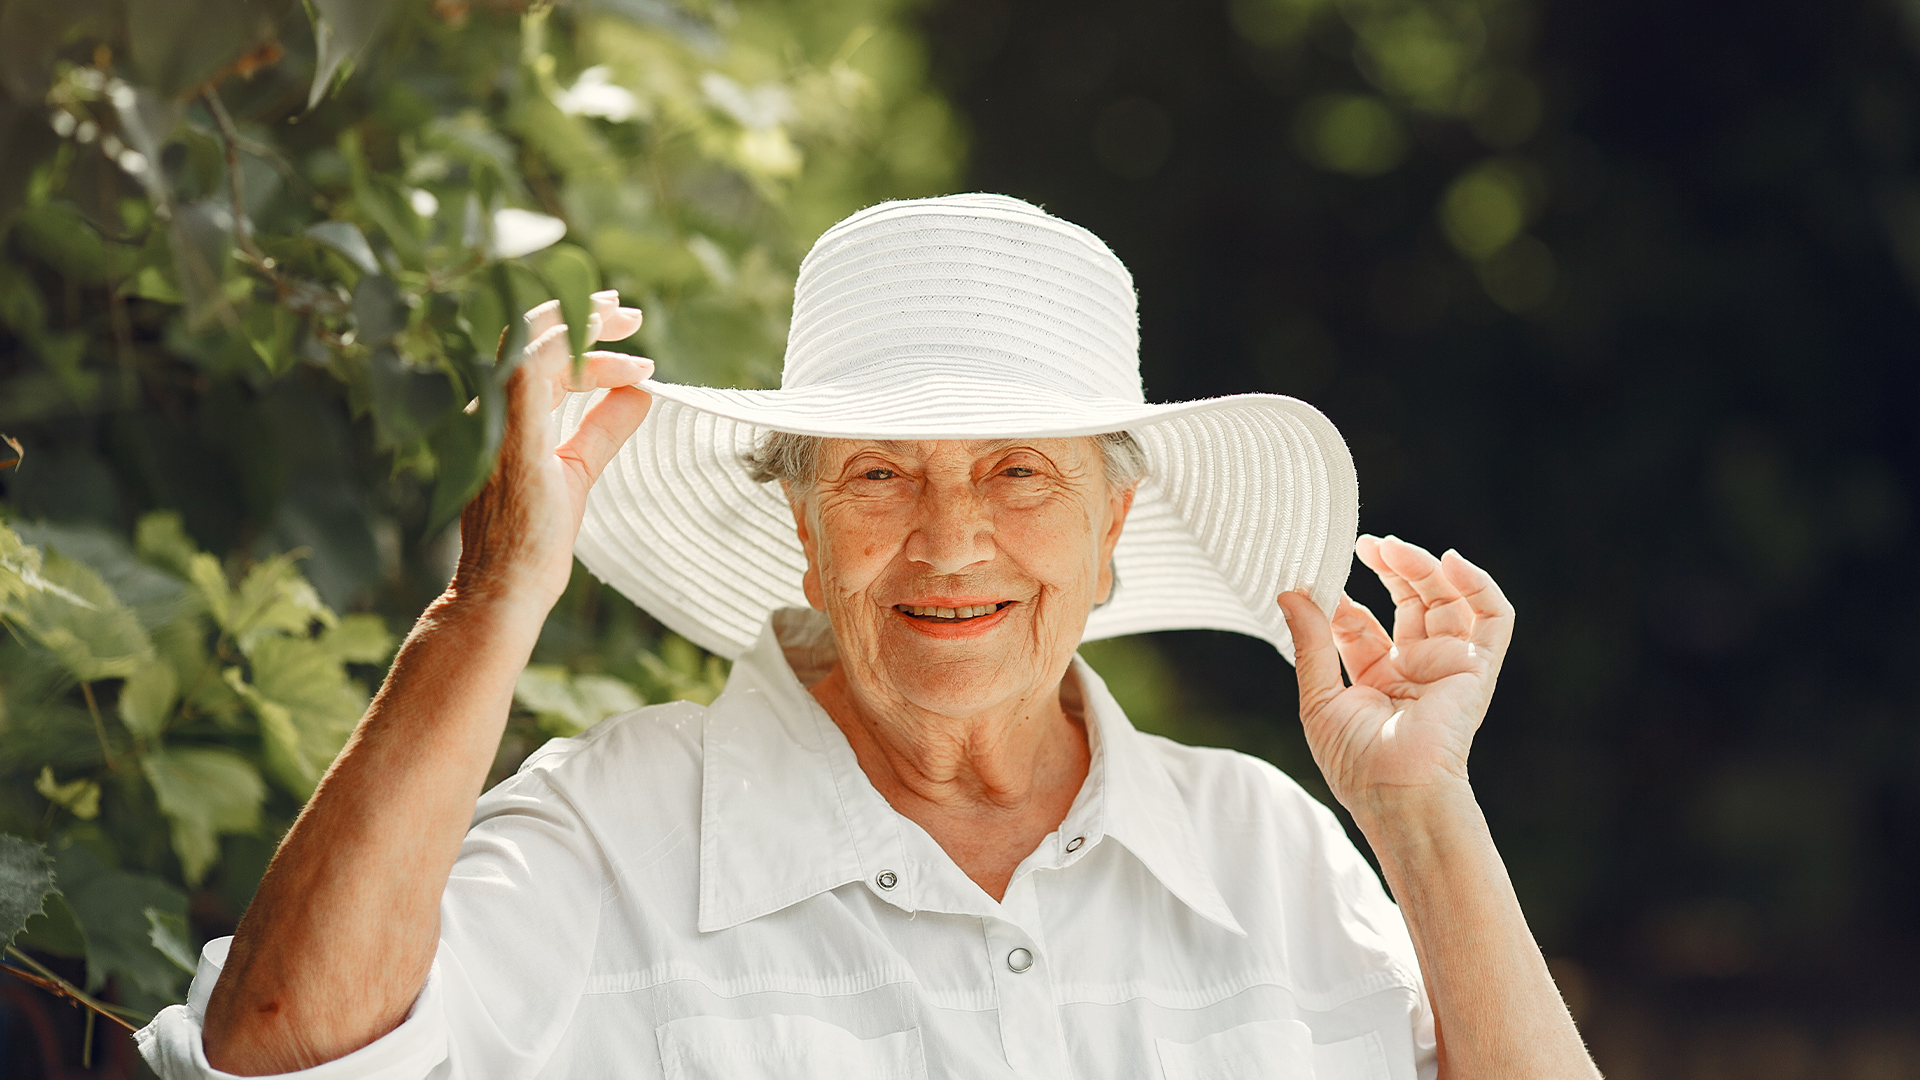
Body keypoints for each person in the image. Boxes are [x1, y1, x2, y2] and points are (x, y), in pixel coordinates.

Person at [139, 194, 1601, 1079]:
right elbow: (277, 1052)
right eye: (880, 474)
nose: (951, 542)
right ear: (803, 524)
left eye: (1021, 472)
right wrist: (491, 601)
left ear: (1109, 529)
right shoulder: (614, 832)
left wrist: (1420, 816)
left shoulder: (1262, 852)